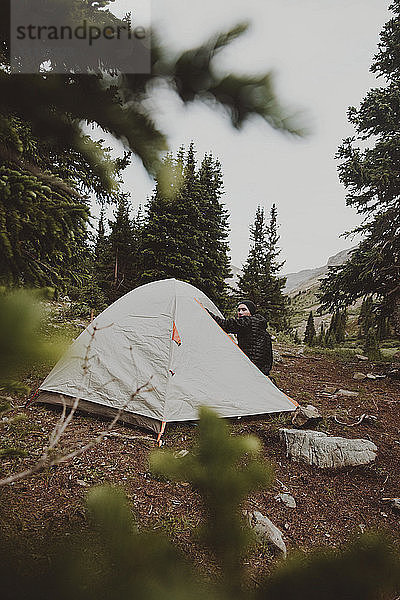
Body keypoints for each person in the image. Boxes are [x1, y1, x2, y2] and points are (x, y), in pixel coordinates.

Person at [207, 300, 273, 375]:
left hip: (250, 366)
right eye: (239, 310)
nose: (240, 312)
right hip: (261, 368)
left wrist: (206, 312)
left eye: (244, 310)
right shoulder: (260, 324)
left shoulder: (248, 322)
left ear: (251, 311)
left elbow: (225, 325)